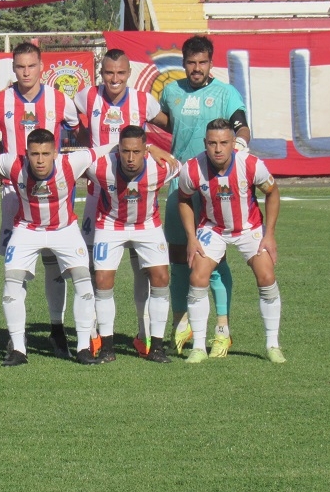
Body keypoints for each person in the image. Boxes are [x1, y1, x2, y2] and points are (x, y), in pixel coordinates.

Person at [0, 41, 80, 359]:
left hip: (55, 195)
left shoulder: (59, 100)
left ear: (41, 66)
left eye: (31, 66)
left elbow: (77, 133)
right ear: (14, 68)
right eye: (20, 66)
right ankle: (15, 337)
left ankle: (57, 329)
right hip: (14, 192)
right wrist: (1, 157)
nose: (25, 72)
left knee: (55, 264)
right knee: (16, 268)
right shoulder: (0, 100)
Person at [74, 47, 171, 358]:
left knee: (144, 269)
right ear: (100, 74)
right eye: (108, 73)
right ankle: (96, 336)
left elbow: (166, 123)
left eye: (120, 73)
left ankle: (145, 336)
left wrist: (154, 151)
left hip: (138, 191)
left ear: (129, 74)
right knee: (95, 270)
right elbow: (72, 129)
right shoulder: (85, 97)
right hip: (99, 193)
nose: (114, 79)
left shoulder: (144, 101)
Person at [159, 35, 250, 359]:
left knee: (214, 259)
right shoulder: (171, 92)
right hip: (179, 186)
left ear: (211, 63)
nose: (196, 69)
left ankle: (222, 329)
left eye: (202, 62)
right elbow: (166, 123)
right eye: (191, 63)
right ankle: (182, 322)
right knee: (180, 254)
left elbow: (241, 127)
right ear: (183, 64)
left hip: (215, 188)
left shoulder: (225, 93)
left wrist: (240, 147)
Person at [0, 129, 110, 367]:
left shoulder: (71, 163)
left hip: (64, 229)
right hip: (27, 229)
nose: (40, 160)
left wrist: (151, 148)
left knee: (82, 277)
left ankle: (83, 348)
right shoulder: (13, 164)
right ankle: (18, 349)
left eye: (45, 154)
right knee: (12, 280)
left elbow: (108, 148)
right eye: (34, 154)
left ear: (55, 153)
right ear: (26, 153)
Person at [178, 119, 284, 364]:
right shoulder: (192, 168)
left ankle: (272, 344)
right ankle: (199, 348)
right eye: (213, 143)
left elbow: (272, 192)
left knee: (266, 276)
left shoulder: (252, 165)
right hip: (212, 228)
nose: (218, 149)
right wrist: (192, 238)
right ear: (205, 143)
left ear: (232, 143)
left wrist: (270, 233)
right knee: (197, 277)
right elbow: (183, 199)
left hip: (249, 228)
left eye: (224, 143)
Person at [85, 126, 180, 365]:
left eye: (137, 151)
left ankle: (156, 346)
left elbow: (179, 166)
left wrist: (152, 148)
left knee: (161, 277)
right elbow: (76, 160)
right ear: (118, 150)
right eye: (125, 151)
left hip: (147, 225)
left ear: (145, 151)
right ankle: (107, 346)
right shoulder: (101, 167)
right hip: (110, 225)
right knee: (103, 280)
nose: (130, 158)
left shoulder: (161, 167)